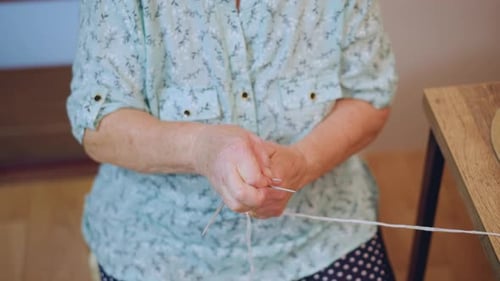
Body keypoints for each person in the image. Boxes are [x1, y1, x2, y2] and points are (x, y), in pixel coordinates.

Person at [67, 0, 398, 280]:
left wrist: (305, 161)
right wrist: (200, 149)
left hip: (322, 240)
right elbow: (99, 125)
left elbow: (370, 95)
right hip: (158, 251)